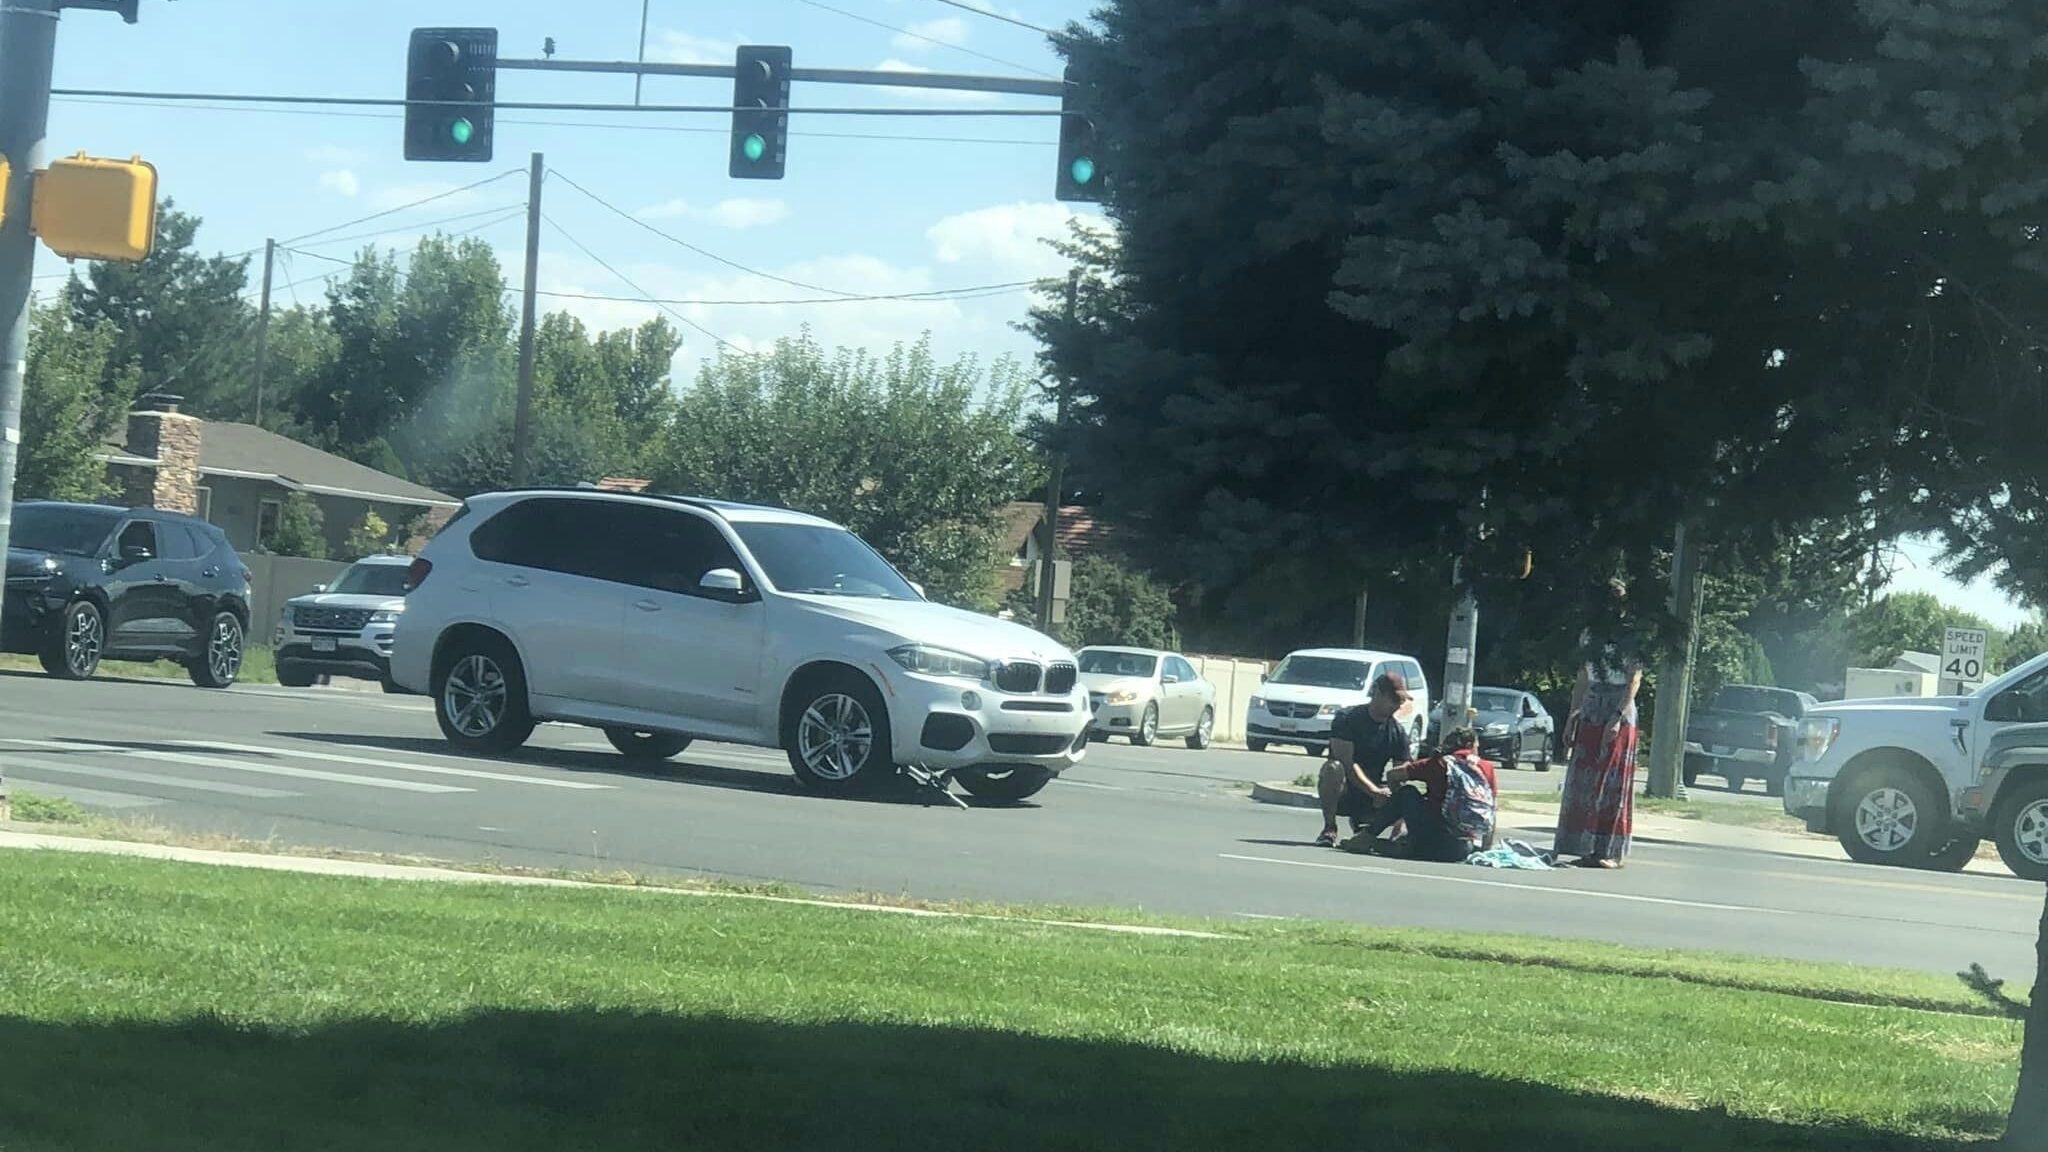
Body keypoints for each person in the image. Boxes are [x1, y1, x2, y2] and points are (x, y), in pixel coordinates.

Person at [1556, 579, 1645, 869]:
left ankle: (1609, 851)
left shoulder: (1631, 636)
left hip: (1617, 708)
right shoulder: (1588, 635)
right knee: (1585, 781)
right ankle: (1583, 845)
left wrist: (1617, 717)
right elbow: (1582, 678)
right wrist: (1573, 715)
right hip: (1592, 706)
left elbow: (1634, 678)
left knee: (1611, 783)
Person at [1344, 727, 1498, 862]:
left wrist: (1396, 808)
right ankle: (1402, 846)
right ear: (1471, 745)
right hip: (1460, 849)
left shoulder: (1439, 763)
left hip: (1429, 837)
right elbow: (1491, 809)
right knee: (1423, 844)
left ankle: (1367, 838)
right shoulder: (1487, 768)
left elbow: (1392, 775)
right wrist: (1485, 849)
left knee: (1407, 792)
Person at [1314, 672, 1414, 847]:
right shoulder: (1347, 718)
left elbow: (1401, 773)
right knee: (1333, 768)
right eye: (1394, 699)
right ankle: (1329, 828)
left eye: (1401, 701)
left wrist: (1391, 796)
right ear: (1377, 693)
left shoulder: (1397, 732)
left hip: (1374, 794)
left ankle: (1388, 834)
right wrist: (1373, 791)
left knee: (1406, 793)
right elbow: (1346, 762)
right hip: (1345, 789)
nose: (1398, 705)